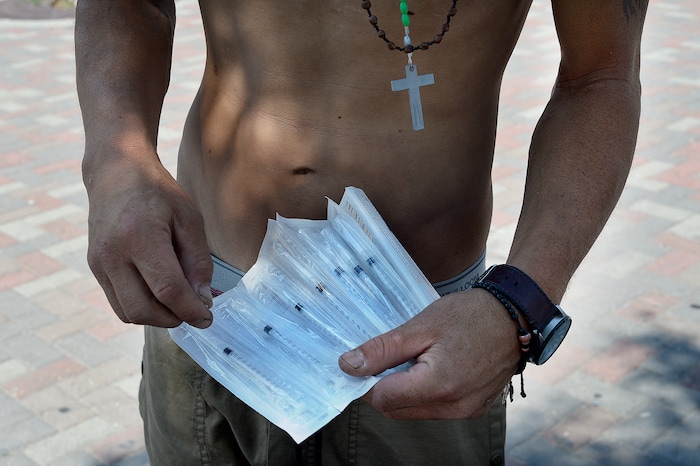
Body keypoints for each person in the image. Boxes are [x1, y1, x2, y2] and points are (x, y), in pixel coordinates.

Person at [75, 0, 647, 464]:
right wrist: (115, 157)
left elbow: (600, 75)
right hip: (214, 306)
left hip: (425, 333)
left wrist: (520, 302)